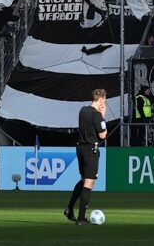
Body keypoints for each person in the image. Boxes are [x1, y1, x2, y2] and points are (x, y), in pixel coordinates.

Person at [66, 88, 107, 226]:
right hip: (91, 150)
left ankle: (69, 209)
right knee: (89, 183)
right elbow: (103, 135)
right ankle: (81, 218)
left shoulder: (83, 110)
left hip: (80, 148)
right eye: (104, 100)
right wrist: (103, 116)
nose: (104, 103)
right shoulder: (97, 115)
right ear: (101, 99)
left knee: (83, 179)